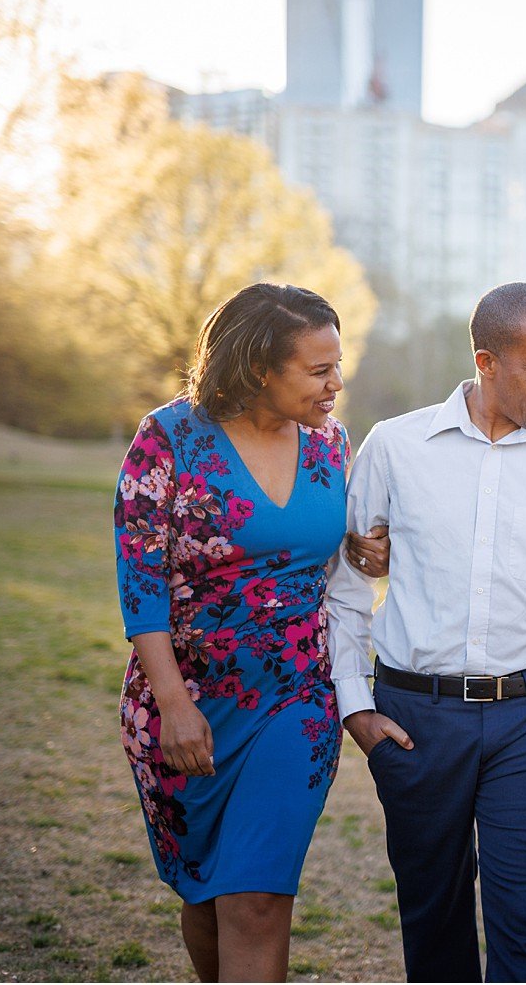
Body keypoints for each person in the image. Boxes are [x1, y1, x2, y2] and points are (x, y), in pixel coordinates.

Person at [324, 282, 526, 983]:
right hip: (414, 718)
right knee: (431, 918)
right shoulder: (396, 447)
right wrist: (356, 704)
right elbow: (347, 582)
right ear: (487, 361)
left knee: (525, 918)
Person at [114, 283, 390, 982]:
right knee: (206, 891)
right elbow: (140, 578)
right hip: (186, 701)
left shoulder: (332, 443)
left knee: (259, 899)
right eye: (318, 368)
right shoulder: (169, 437)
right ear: (261, 366)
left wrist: (368, 551)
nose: (336, 383)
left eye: (338, 365)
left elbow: (342, 548)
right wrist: (173, 703)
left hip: (297, 699)